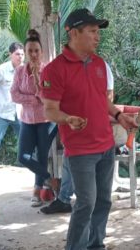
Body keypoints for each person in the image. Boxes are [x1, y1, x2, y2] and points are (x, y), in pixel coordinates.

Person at [41, 8, 139, 250]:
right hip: (80, 150)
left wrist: (120, 116)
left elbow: (101, 99)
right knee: (85, 202)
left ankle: (95, 247)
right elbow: (49, 110)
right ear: (74, 33)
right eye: (92, 31)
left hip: (105, 144)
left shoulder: (98, 63)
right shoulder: (55, 70)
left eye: (98, 31)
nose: (97, 36)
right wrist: (67, 119)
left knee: (103, 200)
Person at [40, 60, 114, 215]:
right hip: (74, 127)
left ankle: (66, 198)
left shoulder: (101, 66)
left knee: (92, 198)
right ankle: (64, 198)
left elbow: (108, 96)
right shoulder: (63, 69)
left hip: (96, 130)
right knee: (69, 159)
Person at [10, 30, 54, 207]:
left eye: (37, 51)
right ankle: (50, 179)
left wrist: (37, 81)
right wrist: (34, 99)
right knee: (23, 156)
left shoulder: (48, 71)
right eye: (30, 51)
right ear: (25, 53)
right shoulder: (20, 71)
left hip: (46, 120)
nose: (34, 54)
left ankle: (37, 191)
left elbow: (47, 97)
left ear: (41, 52)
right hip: (27, 120)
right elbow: (14, 94)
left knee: (42, 155)